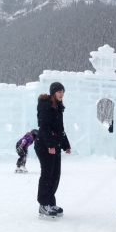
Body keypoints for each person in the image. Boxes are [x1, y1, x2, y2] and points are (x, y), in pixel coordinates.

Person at [34, 82, 71, 218]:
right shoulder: (45, 106)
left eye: (63, 91)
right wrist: (50, 145)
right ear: (53, 92)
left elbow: (59, 129)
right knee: (47, 174)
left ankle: (50, 202)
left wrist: (66, 145)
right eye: (59, 91)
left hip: (54, 145)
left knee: (55, 175)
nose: (61, 94)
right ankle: (43, 205)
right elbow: (44, 127)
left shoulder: (59, 107)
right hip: (44, 145)